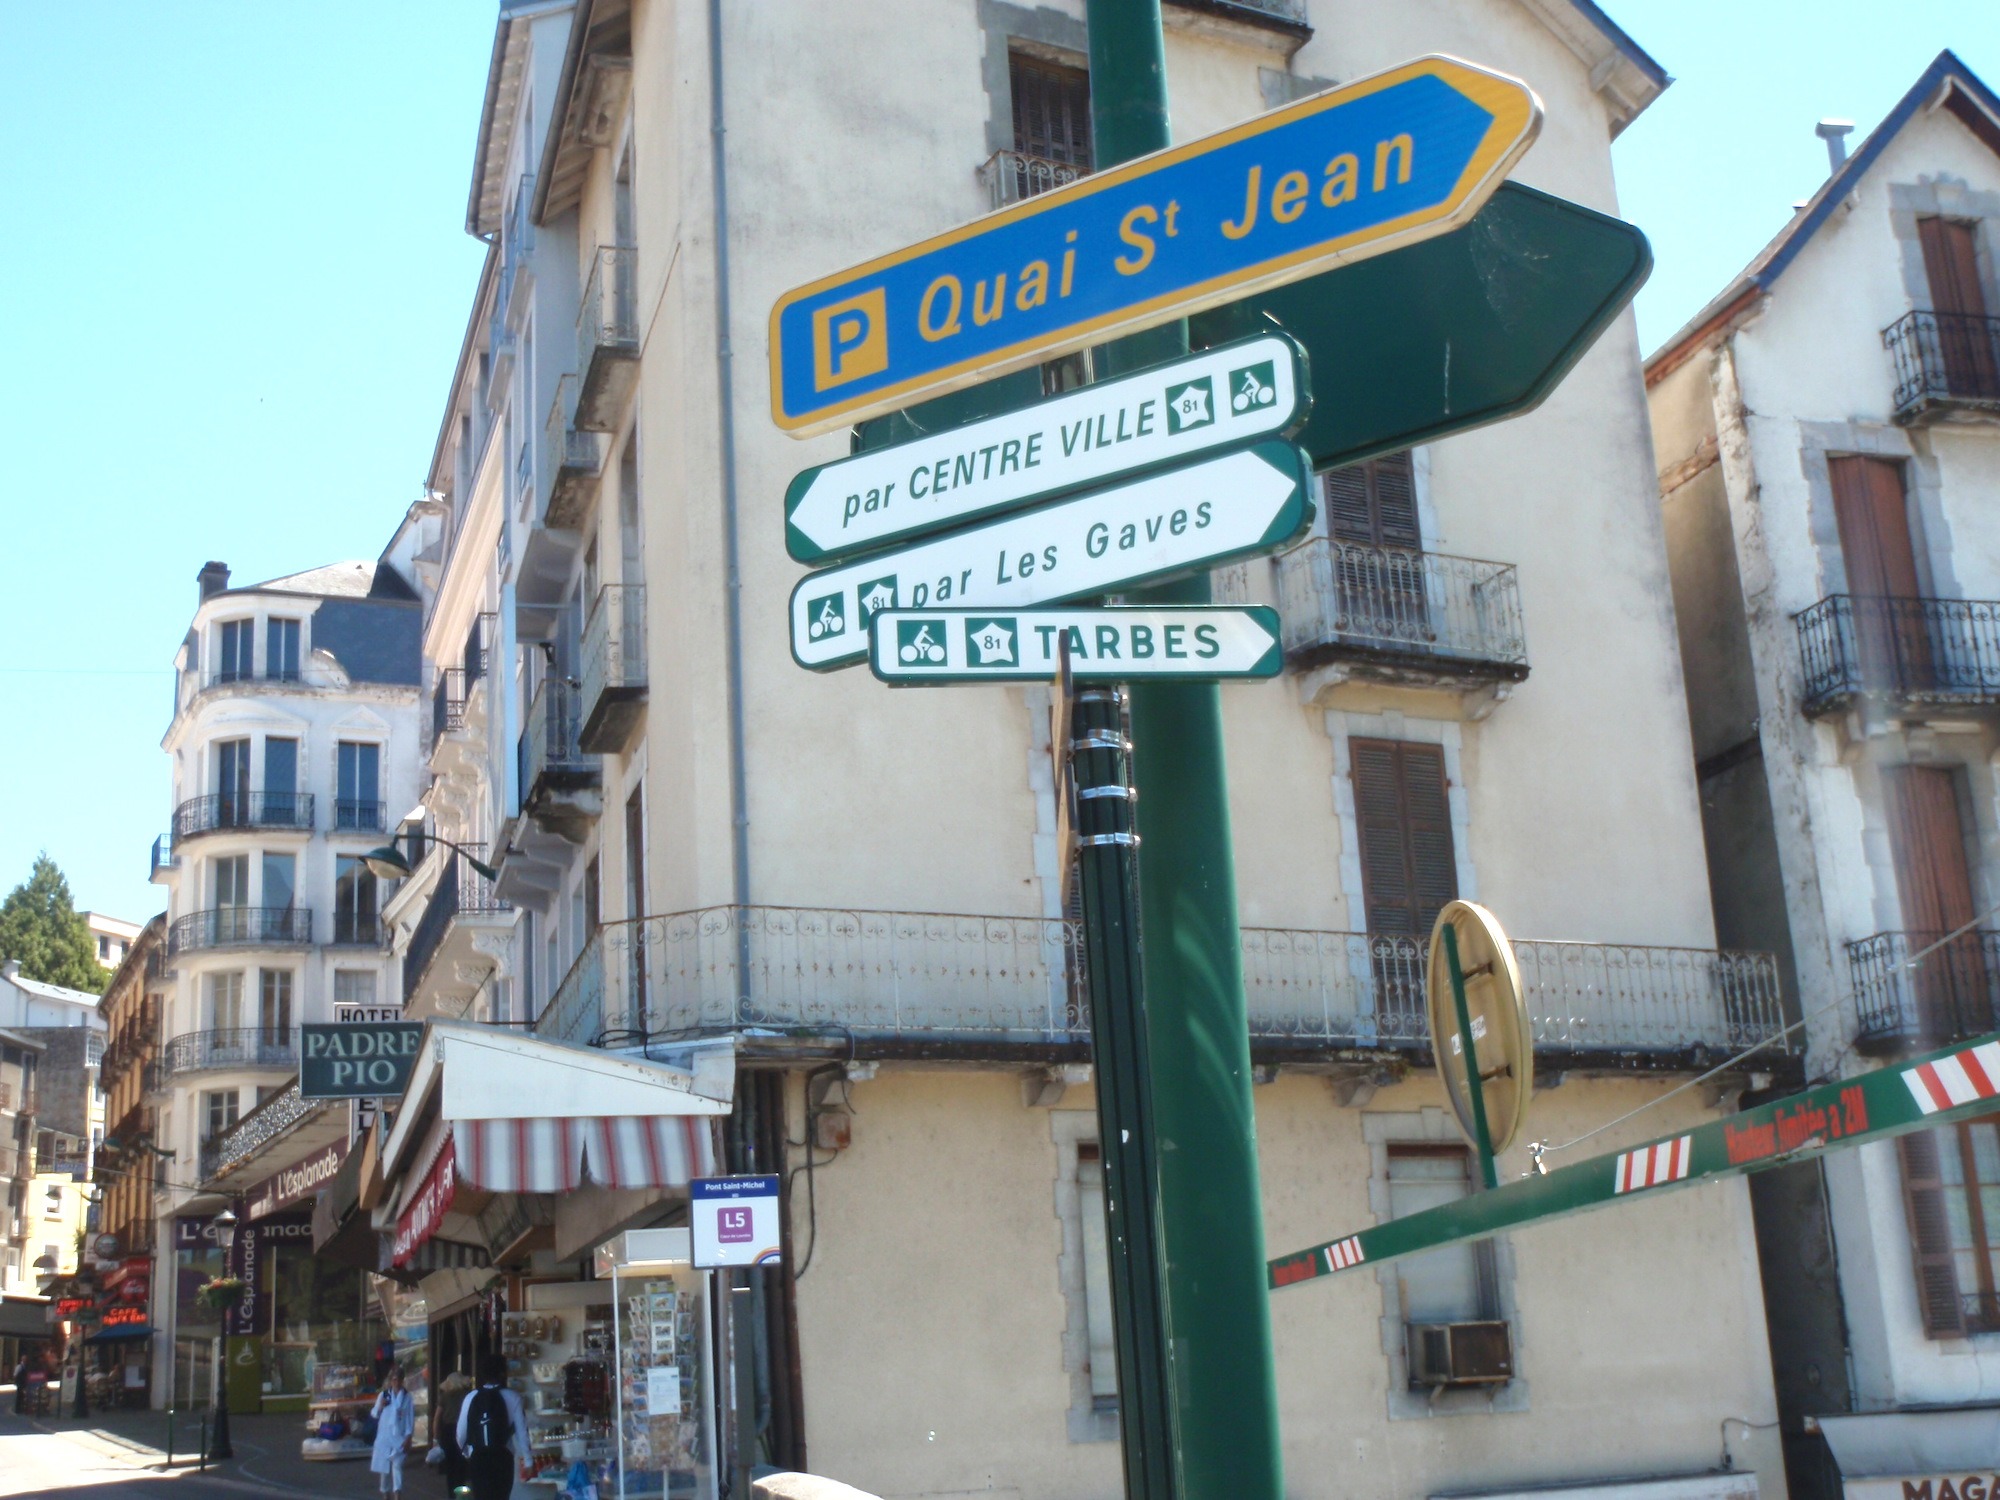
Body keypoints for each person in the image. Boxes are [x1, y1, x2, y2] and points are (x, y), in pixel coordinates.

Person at [456, 1354, 531, 1500]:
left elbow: (460, 1433)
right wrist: (528, 1461)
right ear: (503, 1373)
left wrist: (467, 1452)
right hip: (503, 1457)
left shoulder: (471, 1397)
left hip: (478, 1457)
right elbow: (522, 1433)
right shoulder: (513, 1397)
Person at [370, 1363, 417, 1500]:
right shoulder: (384, 1395)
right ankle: (385, 1492)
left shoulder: (407, 1397)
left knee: (397, 1466)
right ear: (391, 1381)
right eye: (394, 1380)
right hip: (384, 1436)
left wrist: (409, 1436)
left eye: (399, 1380)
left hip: (399, 1436)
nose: (396, 1382)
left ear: (403, 1380)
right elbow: (374, 1414)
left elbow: (410, 1418)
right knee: (384, 1469)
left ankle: (397, 1493)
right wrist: (380, 1406)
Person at [432, 1370, 474, 1494]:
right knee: (461, 1464)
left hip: (448, 1431)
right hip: (464, 1430)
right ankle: (461, 1491)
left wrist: (435, 1437)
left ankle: (452, 1493)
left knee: (450, 1465)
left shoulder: (444, 1396)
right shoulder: (467, 1395)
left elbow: (437, 1418)